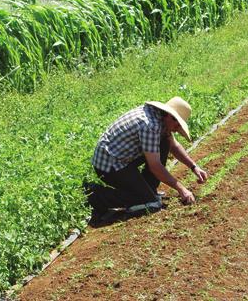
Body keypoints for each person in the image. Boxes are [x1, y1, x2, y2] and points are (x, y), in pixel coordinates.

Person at [87, 96, 208, 224]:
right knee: (148, 202)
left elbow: (174, 145)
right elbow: (155, 166)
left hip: (123, 159)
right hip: (109, 165)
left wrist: (194, 167)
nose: (177, 129)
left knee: (165, 142)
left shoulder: (159, 119)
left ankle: (148, 188)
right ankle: (94, 195)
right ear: (169, 116)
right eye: (177, 124)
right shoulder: (150, 125)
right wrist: (181, 189)